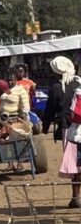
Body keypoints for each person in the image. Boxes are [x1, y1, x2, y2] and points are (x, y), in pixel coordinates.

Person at [42, 56, 81, 208]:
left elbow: (49, 110)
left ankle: (75, 197)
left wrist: (45, 128)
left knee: (76, 165)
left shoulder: (57, 88)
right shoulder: (79, 83)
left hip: (70, 131)